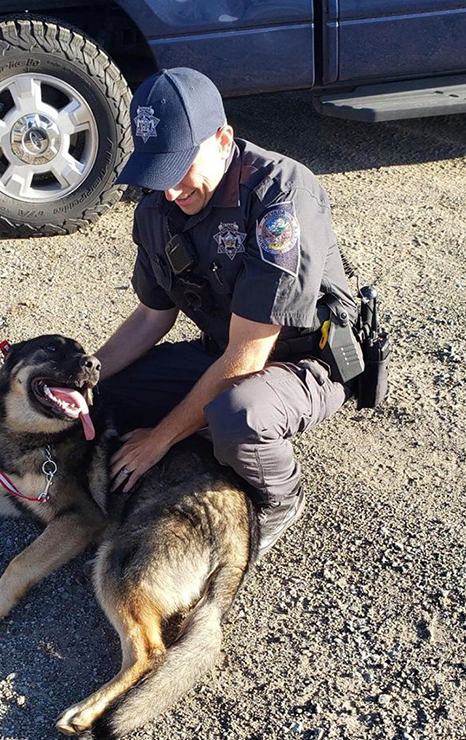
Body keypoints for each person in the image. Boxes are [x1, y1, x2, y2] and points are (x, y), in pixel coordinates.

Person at [95, 67, 357, 557]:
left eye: (179, 168)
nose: (170, 191)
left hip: (303, 360)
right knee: (107, 392)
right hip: (225, 352)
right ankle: (203, 447)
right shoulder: (159, 208)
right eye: (158, 172)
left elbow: (249, 355)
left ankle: (280, 498)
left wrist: (158, 440)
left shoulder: (279, 195)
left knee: (237, 416)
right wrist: (85, 376)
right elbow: (152, 317)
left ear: (222, 139)